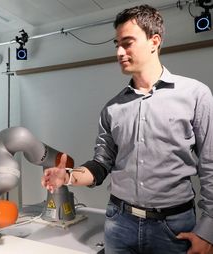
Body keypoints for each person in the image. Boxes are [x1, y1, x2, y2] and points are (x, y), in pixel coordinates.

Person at [41, 4, 213, 254]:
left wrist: (208, 231)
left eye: (128, 43)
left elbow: (210, 166)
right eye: (117, 44)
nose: (119, 52)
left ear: (154, 41)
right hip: (119, 224)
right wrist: (67, 176)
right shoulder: (112, 108)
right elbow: (100, 166)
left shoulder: (196, 95)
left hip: (174, 228)